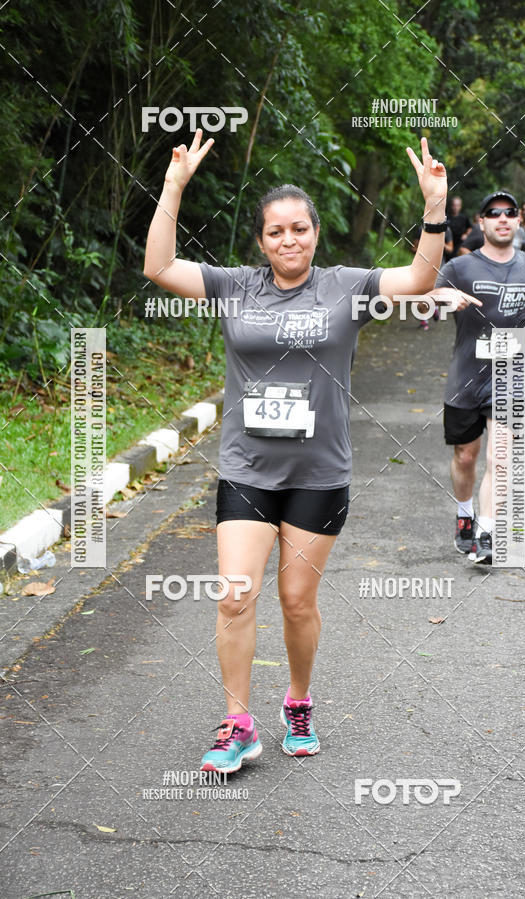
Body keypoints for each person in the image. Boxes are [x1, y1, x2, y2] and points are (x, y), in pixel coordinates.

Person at [144, 131, 449, 772]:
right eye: (276, 232)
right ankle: (237, 724)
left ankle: (299, 702)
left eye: (300, 230)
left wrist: (434, 207)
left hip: (318, 473)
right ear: (261, 241)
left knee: (297, 602)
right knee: (234, 595)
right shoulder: (236, 287)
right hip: (248, 470)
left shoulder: (345, 288)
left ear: (315, 234)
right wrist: (173, 187)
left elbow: (422, 277)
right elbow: (159, 269)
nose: (289, 241)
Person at [422, 191, 525, 564]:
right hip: (465, 377)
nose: (502, 218)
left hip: (510, 375)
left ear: (518, 221)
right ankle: (465, 514)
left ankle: (486, 534)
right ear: (481, 222)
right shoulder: (460, 266)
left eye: (510, 213)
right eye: (493, 213)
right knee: (466, 457)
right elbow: (424, 297)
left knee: (500, 458)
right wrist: (442, 300)